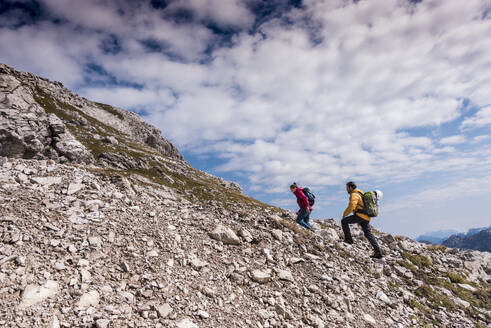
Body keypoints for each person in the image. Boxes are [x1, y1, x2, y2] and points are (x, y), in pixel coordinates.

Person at [341, 181, 383, 259]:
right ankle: (378, 252)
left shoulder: (354, 194)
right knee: (368, 234)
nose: (346, 189)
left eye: (347, 187)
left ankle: (349, 240)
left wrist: (345, 214)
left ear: (350, 187)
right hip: (366, 217)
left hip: (360, 216)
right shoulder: (361, 193)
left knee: (344, 221)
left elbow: (352, 206)